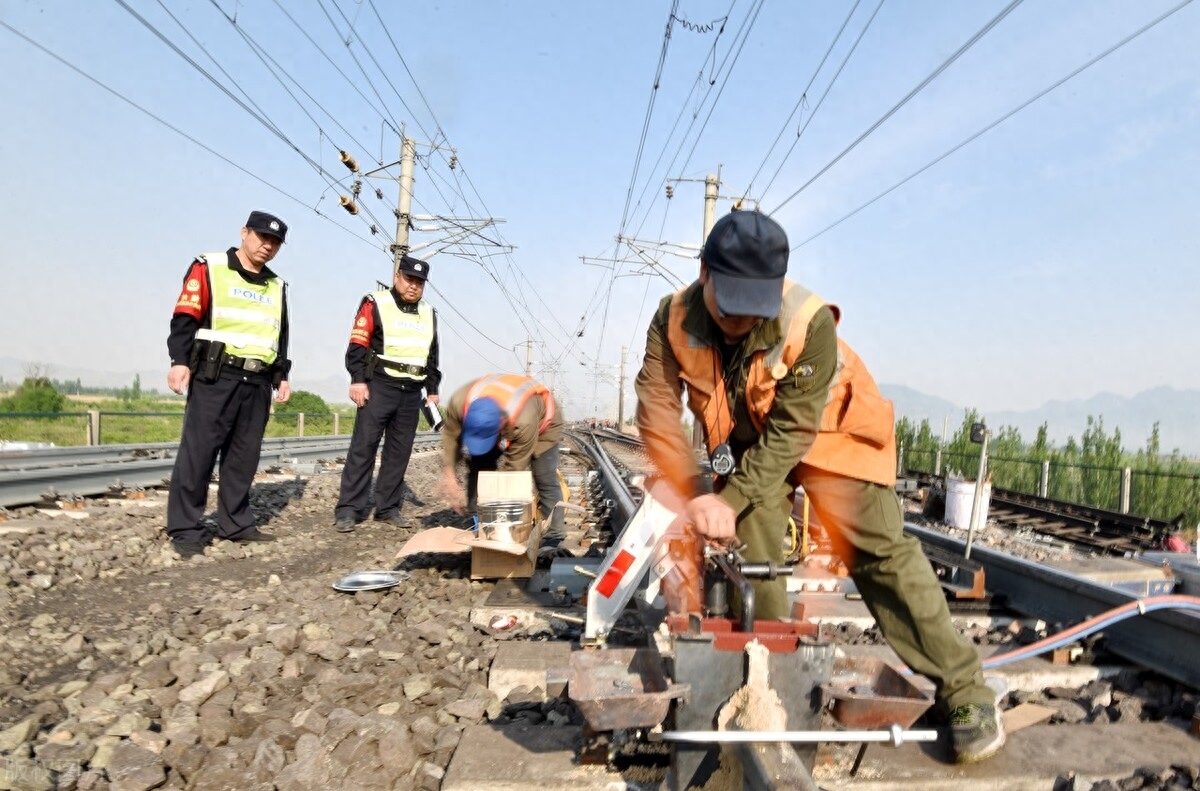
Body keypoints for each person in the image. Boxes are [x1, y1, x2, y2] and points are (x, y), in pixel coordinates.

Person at [633, 209, 1004, 764]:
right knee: (748, 542)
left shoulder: (810, 323)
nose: (739, 321)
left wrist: (725, 497)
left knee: (877, 548)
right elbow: (659, 411)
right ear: (704, 273)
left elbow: (790, 435)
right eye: (729, 304)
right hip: (746, 435)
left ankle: (966, 693)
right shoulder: (672, 319)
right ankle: (770, 676)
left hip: (825, 429)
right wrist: (700, 494)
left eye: (752, 307)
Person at [165, 210, 292, 559]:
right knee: (199, 452)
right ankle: (186, 528)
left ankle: (235, 523)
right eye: (261, 237)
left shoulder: (277, 285)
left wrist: (281, 374)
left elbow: (279, 334)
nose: (267, 246)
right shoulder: (210, 266)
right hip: (215, 375)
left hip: (258, 380)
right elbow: (185, 317)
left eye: (275, 242)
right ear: (244, 232)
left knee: (243, 456)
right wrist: (179, 360)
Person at [334, 255, 442, 533]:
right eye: (409, 279)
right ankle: (349, 509)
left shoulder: (429, 312)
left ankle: (387, 508)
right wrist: (358, 380)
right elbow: (358, 343)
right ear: (397, 277)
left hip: (411, 390)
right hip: (379, 384)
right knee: (364, 447)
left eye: (419, 282)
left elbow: (432, 355)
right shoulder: (376, 302)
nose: (413, 286)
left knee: (399, 452)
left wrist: (432, 390)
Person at [438, 374, 563, 525]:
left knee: (544, 477)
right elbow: (451, 436)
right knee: (480, 466)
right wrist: (449, 473)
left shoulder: (524, 422)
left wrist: (499, 508)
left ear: (502, 424)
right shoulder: (460, 402)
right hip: (502, 419)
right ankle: (477, 520)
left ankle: (554, 537)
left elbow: (513, 469)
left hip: (544, 422)